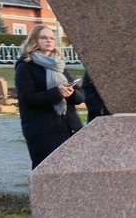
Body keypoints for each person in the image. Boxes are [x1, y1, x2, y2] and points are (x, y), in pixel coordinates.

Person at [15, 24, 84, 168]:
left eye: (52, 38)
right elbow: (27, 98)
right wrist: (57, 93)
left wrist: (71, 93)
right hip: (42, 128)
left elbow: (80, 97)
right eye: (44, 37)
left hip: (69, 125)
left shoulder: (58, 65)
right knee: (47, 170)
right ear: (34, 41)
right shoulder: (25, 66)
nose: (49, 41)